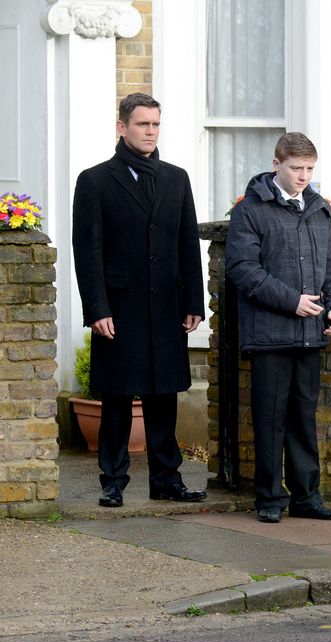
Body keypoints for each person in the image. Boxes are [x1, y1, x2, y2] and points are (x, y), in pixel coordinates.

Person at [72, 92, 207, 508]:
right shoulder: (94, 181)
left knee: (164, 394)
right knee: (116, 395)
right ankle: (113, 481)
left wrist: (194, 302)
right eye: (142, 124)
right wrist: (97, 308)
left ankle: (167, 479)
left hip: (167, 304)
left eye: (155, 124)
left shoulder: (176, 177)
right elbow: (87, 250)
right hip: (120, 307)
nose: (150, 131)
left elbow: (187, 244)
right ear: (122, 127)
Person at [224, 133, 331, 523]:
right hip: (270, 335)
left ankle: (306, 497)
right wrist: (291, 301)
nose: (303, 176)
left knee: (303, 418)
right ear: (277, 164)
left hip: (311, 334)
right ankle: (269, 499)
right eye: (296, 168)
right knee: (270, 419)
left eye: (310, 169)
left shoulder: (318, 209)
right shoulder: (251, 210)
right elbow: (242, 269)